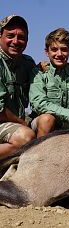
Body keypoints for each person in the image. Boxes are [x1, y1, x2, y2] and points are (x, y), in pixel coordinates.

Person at [0, 14, 36, 157]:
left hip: (11, 124)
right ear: (0, 35)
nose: (16, 41)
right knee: (25, 137)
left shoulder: (27, 62)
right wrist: (22, 123)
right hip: (5, 121)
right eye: (10, 36)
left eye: (21, 37)